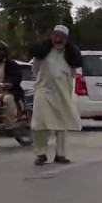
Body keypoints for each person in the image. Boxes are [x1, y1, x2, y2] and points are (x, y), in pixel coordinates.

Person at [28, 25, 83, 165]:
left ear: (66, 39)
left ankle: (60, 154)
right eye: (56, 36)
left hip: (62, 92)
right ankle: (41, 153)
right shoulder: (43, 52)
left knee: (61, 124)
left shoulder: (70, 55)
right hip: (44, 90)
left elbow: (72, 74)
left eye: (61, 37)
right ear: (53, 36)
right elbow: (35, 70)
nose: (58, 39)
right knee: (39, 123)